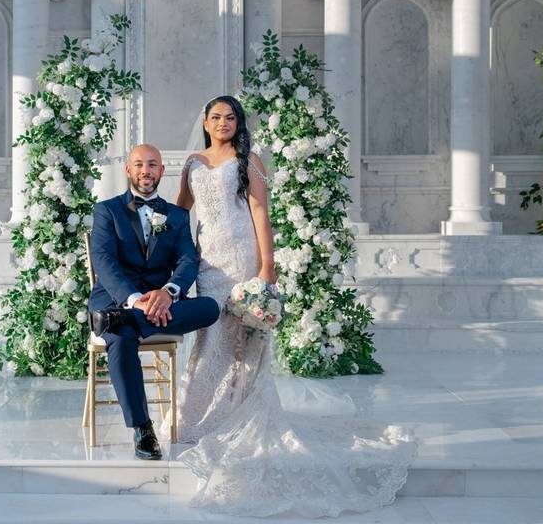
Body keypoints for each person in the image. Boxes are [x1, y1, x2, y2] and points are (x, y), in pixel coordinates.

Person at [173, 96, 417, 518]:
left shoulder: (249, 161)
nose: (223, 122)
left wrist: (266, 266)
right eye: (216, 117)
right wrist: (168, 249)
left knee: (242, 341)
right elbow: (181, 212)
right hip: (207, 262)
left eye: (231, 117)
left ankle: (238, 414)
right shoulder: (193, 163)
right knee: (208, 337)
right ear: (206, 123)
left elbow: (260, 212)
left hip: (243, 258)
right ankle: (198, 416)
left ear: (238, 123)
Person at [88, 144, 220, 461]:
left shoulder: (176, 215)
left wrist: (168, 292)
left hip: (158, 304)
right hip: (115, 299)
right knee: (120, 339)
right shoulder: (107, 211)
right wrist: (134, 301)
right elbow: (104, 262)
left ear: (161, 171)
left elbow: (188, 260)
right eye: (139, 164)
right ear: (128, 170)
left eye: (152, 165)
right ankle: (143, 430)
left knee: (211, 308)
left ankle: (127, 321)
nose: (146, 170)